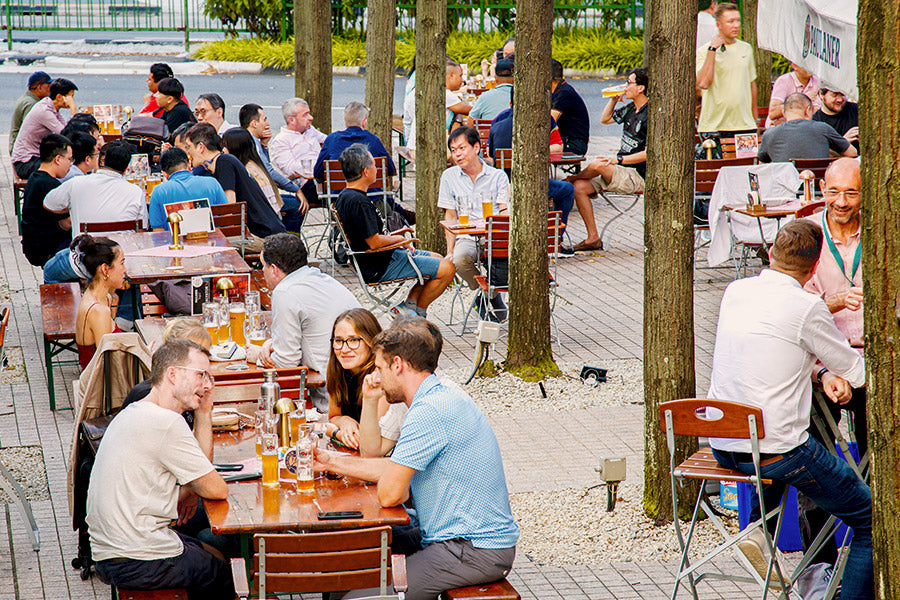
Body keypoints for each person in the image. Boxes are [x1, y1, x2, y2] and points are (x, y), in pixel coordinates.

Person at [707, 219, 871, 598]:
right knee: (868, 519)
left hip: (725, 442)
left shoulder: (735, 290)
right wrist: (837, 369)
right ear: (814, 269)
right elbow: (858, 372)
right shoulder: (807, 305)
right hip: (775, 450)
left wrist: (822, 371)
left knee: (779, 429)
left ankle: (758, 531)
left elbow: (773, 352)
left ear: (770, 255)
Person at [312, 317, 519, 600]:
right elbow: (396, 466)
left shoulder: (429, 411)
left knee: (354, 597)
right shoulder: (437, 395)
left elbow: (390, 494)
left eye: (381, 368)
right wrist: (329, 461)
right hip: (450, 538)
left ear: (398, 365)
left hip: (472, 549)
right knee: (346, 565)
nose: (377, 378)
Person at [86, 339, 233, 600]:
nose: (208, 385)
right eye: (201, 375)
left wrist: (203, 410)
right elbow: (216, 488)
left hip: (109, 550)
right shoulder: (165, 422)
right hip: (135, 556)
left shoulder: (135, 410)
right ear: (172, 374)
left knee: (211, 552)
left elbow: (198, 474)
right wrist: (193, 485)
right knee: (217, 569)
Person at [800, 158, 867, 564]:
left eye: (851, 192)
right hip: (820, 363)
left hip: (870, 360)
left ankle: (872, 555)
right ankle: (817, 566)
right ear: (821, 188)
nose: (841, 202)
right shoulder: (807, 233)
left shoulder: (880, 230)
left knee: (875, 463)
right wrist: (835, 300)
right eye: (833, 192)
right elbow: (790, 306)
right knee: (815, 465)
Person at [337, 144, 454, 318]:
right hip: (380, 265)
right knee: (448, 268)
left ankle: (407, 306)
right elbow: (374, 242)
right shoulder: (359, 202)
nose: (376, 169)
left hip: (379, 257)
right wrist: (401, 241)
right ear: (365, 172)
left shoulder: (346, 196)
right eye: (374, 166)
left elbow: (367, 236)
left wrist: (396, 236)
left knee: (437, 258)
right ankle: (418, 314)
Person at [244, 233, 359, 410]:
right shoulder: (321, 278)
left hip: (334, 400)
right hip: (358, 384)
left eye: (262, 265)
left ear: (274, 269)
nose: (262, 271)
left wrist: (258, 356)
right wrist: (272, 343)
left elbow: (286, 362)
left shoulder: (285, 291)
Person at [566, 67, 648, 251]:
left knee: (597, 164)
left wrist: (619, 161)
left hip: (637, 174)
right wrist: (613, 100)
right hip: (619, 171)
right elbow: (605, 119)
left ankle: (571, 178)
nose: (625, 86)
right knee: (579, 187)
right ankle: (593, 238)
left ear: (641, 88)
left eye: (629, 82)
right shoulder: (631, 108)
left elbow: (650, 153)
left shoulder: (650, 112)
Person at [487, 100, 575, 256]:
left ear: (510, 103)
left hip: (502, 185)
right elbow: (558, 147)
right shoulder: (543, 118)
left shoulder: (499, 119)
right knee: (567, 189)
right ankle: (555, 240)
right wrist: (537, 151)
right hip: (533, 185)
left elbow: (489, 154)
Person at [438, 128, 508, 319]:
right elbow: (450, 215)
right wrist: (449, 250)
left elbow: (504, 211)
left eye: (462, 148)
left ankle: (485, 297)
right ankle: (490, 296)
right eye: (453, 150)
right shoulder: (449, 177)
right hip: (467, 235)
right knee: (459, 259)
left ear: (476, 147)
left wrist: (502, 237)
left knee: (501, 257)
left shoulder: (497, 176)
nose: (457, 154)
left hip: (493, 236)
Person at [184, 123, 286, 241]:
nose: (188, 153)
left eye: (188, 147)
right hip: (260, 233)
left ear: (201, 147)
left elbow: (229, 209)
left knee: (206, 242)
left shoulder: (224, 162)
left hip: (263, 236)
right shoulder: (219, 164)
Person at [43, 139, 148, 235]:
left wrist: (73, 206)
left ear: (101, 161)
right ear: (127, 168)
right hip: (121, 253)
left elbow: (49, 203)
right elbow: (141, 232)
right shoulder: (136, 192)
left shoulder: (76, 183)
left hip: (85, 253)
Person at [239, 102, 309, 233]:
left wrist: (265, 146)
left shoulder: (252, 140)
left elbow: (265, 167)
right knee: (297, 205)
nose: (268, 124)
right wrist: (296, 189)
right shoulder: (251, 142)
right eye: (264, 120)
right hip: (258, 200)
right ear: (254, 123)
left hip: (256, 196)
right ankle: (287, 243)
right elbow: (269, 172)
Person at [327, 308, 387, 450]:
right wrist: (345, 421)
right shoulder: (337, 369)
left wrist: (335, 432)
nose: (344, 349)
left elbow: (370, 439)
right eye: (339, 341)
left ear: (371, 342)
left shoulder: (381, 377)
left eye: (354, 340)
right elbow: (332, 417)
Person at [696, 2, 758, 137]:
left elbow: (751, 84)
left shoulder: (746, 49)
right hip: (714, 127)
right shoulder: (704, 51)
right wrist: (712, 50)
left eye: (738, 21)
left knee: (747, 159)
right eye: (730, 21)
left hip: (745, 126)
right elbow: (703, 83)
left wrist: (754, 119)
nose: (736, 25)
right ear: (719, 25)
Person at [74, 235, 127, 369]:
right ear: (105, 269)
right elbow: (108, 366)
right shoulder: (98, 310)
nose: (125, 270)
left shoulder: (102, 298)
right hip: (100, 387)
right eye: (121, 263)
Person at [313, 101, 397, 185]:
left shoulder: (332, 140)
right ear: (364, 122)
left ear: (344, 122)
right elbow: (390, 170)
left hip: (339, 196)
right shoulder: (373, 140)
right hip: (371, 196)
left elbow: (318, 173)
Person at [21, 133, 73, 267]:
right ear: (57, 159)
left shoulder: (35, 177)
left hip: (33, 245)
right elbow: (67, 223)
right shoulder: (50, 186)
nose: (70, 165)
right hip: (47, 248)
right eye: (69, 159)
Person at [757, 93, 856, 163]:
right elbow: (852, 153)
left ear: (783, 113)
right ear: (808, 110)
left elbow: (762, 166)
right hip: (818, 188)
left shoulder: (770, 134)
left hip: (785, 191)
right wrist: (829, 151)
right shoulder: (823, 128)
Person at [12, 78, 78, 180]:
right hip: (25, 163)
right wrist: (73, 109)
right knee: (63, 169)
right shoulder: (44, 111)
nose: (72, 101)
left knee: (66, 164)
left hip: (35, 159)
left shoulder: (52, 108)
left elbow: (67, 129)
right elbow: (67, 135)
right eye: (71, 97)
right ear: (59, 97)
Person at [149, 148, 229, 230]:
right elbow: (227, 217)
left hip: (175, 242)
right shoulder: (212, 183)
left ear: (164, 173)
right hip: (213, 241)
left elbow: (158, 231)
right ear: (189, 164)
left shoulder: (159, 192)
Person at [268, 97, 327, 196]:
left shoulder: (310, 130)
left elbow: (329, 142)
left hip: (325, 178)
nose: (311, 117)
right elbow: (292, 169)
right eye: (305, 115)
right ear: (292, 120)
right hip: (307, 185)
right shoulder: (281, 141)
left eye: (309, 113)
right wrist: (321, 167)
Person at [221, 127, 282, 216]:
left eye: (225, 146)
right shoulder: (254, 164)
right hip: (272, 216)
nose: (223, 150)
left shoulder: (247, 171)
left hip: (262, 221)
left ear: (236, 148)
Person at [550, 59, 590, 155]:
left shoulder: (563, 93)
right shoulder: (559, 89)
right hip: (566, 139)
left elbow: (550, 121)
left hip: (573, 143)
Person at [765, 63, 821, 128]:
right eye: (806, 64)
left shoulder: (818, 82)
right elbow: (773, 113)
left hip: (808, 128)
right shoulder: (783, 81)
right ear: (794, 66)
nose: (810, 67)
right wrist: (802, 99)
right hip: (783, 129)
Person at [10, 71, 52, 153]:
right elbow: (32, 131)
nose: (50, 90)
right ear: (39, 87)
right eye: (48, 86)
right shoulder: (31, 104)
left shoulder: (29, 99)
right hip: (23, 151)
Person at [812, 88, 859, 152]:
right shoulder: (815, 122)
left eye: (842, 95)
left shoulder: (857, 111)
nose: (839, 100)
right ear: (821, 94)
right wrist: (843, 143)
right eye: (834, 95)